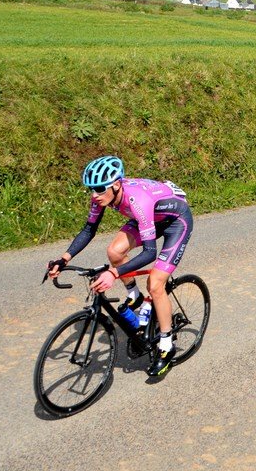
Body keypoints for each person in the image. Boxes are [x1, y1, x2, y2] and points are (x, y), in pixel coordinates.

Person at [47, 156, 193, 377]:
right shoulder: (101, 197)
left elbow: (149, 253)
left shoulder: (137, 200)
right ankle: (134, 295)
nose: (94, 195)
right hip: (148, 219)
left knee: (155, 284)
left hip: (176, 222)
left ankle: (166, 345)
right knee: (115, 251)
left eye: (99, 189)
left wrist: (113, 273)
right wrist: (63, 259)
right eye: (91, 189)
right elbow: (89, 230)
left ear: (116, 185)